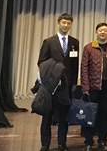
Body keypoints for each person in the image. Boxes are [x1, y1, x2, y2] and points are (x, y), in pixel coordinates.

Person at [37, 13, 80, 151]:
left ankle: (62, 144)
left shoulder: (74, 42)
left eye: (68, 23)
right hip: (51, 86)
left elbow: (74, 65)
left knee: (64, 117)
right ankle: (45, 144)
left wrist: (73, 84)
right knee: (47, 117)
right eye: (63, 23)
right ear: (58, 23)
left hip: (66, 87)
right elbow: (41, 62)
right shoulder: (49, 42)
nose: (66, 25)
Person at [80, 22, 107, 151]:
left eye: (105, 30)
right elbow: (84, 68)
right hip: (92, 88)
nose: (103, 32)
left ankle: (103, 141)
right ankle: (88, 142)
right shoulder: (89, 47)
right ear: (96, 32)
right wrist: (85, 87)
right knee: (90, 115)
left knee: (105, 116)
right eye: (100, 30)